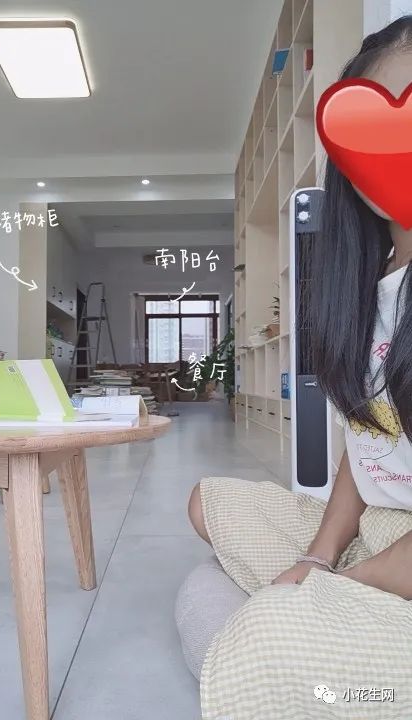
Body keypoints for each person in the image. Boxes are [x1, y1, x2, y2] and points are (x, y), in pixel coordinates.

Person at [187, 16, 412, 720]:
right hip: (385, 527)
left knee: (266, 643)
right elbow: (367, 440)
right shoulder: (368, 283)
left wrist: (343, 586)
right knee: (207, 502)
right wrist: (319, 556)